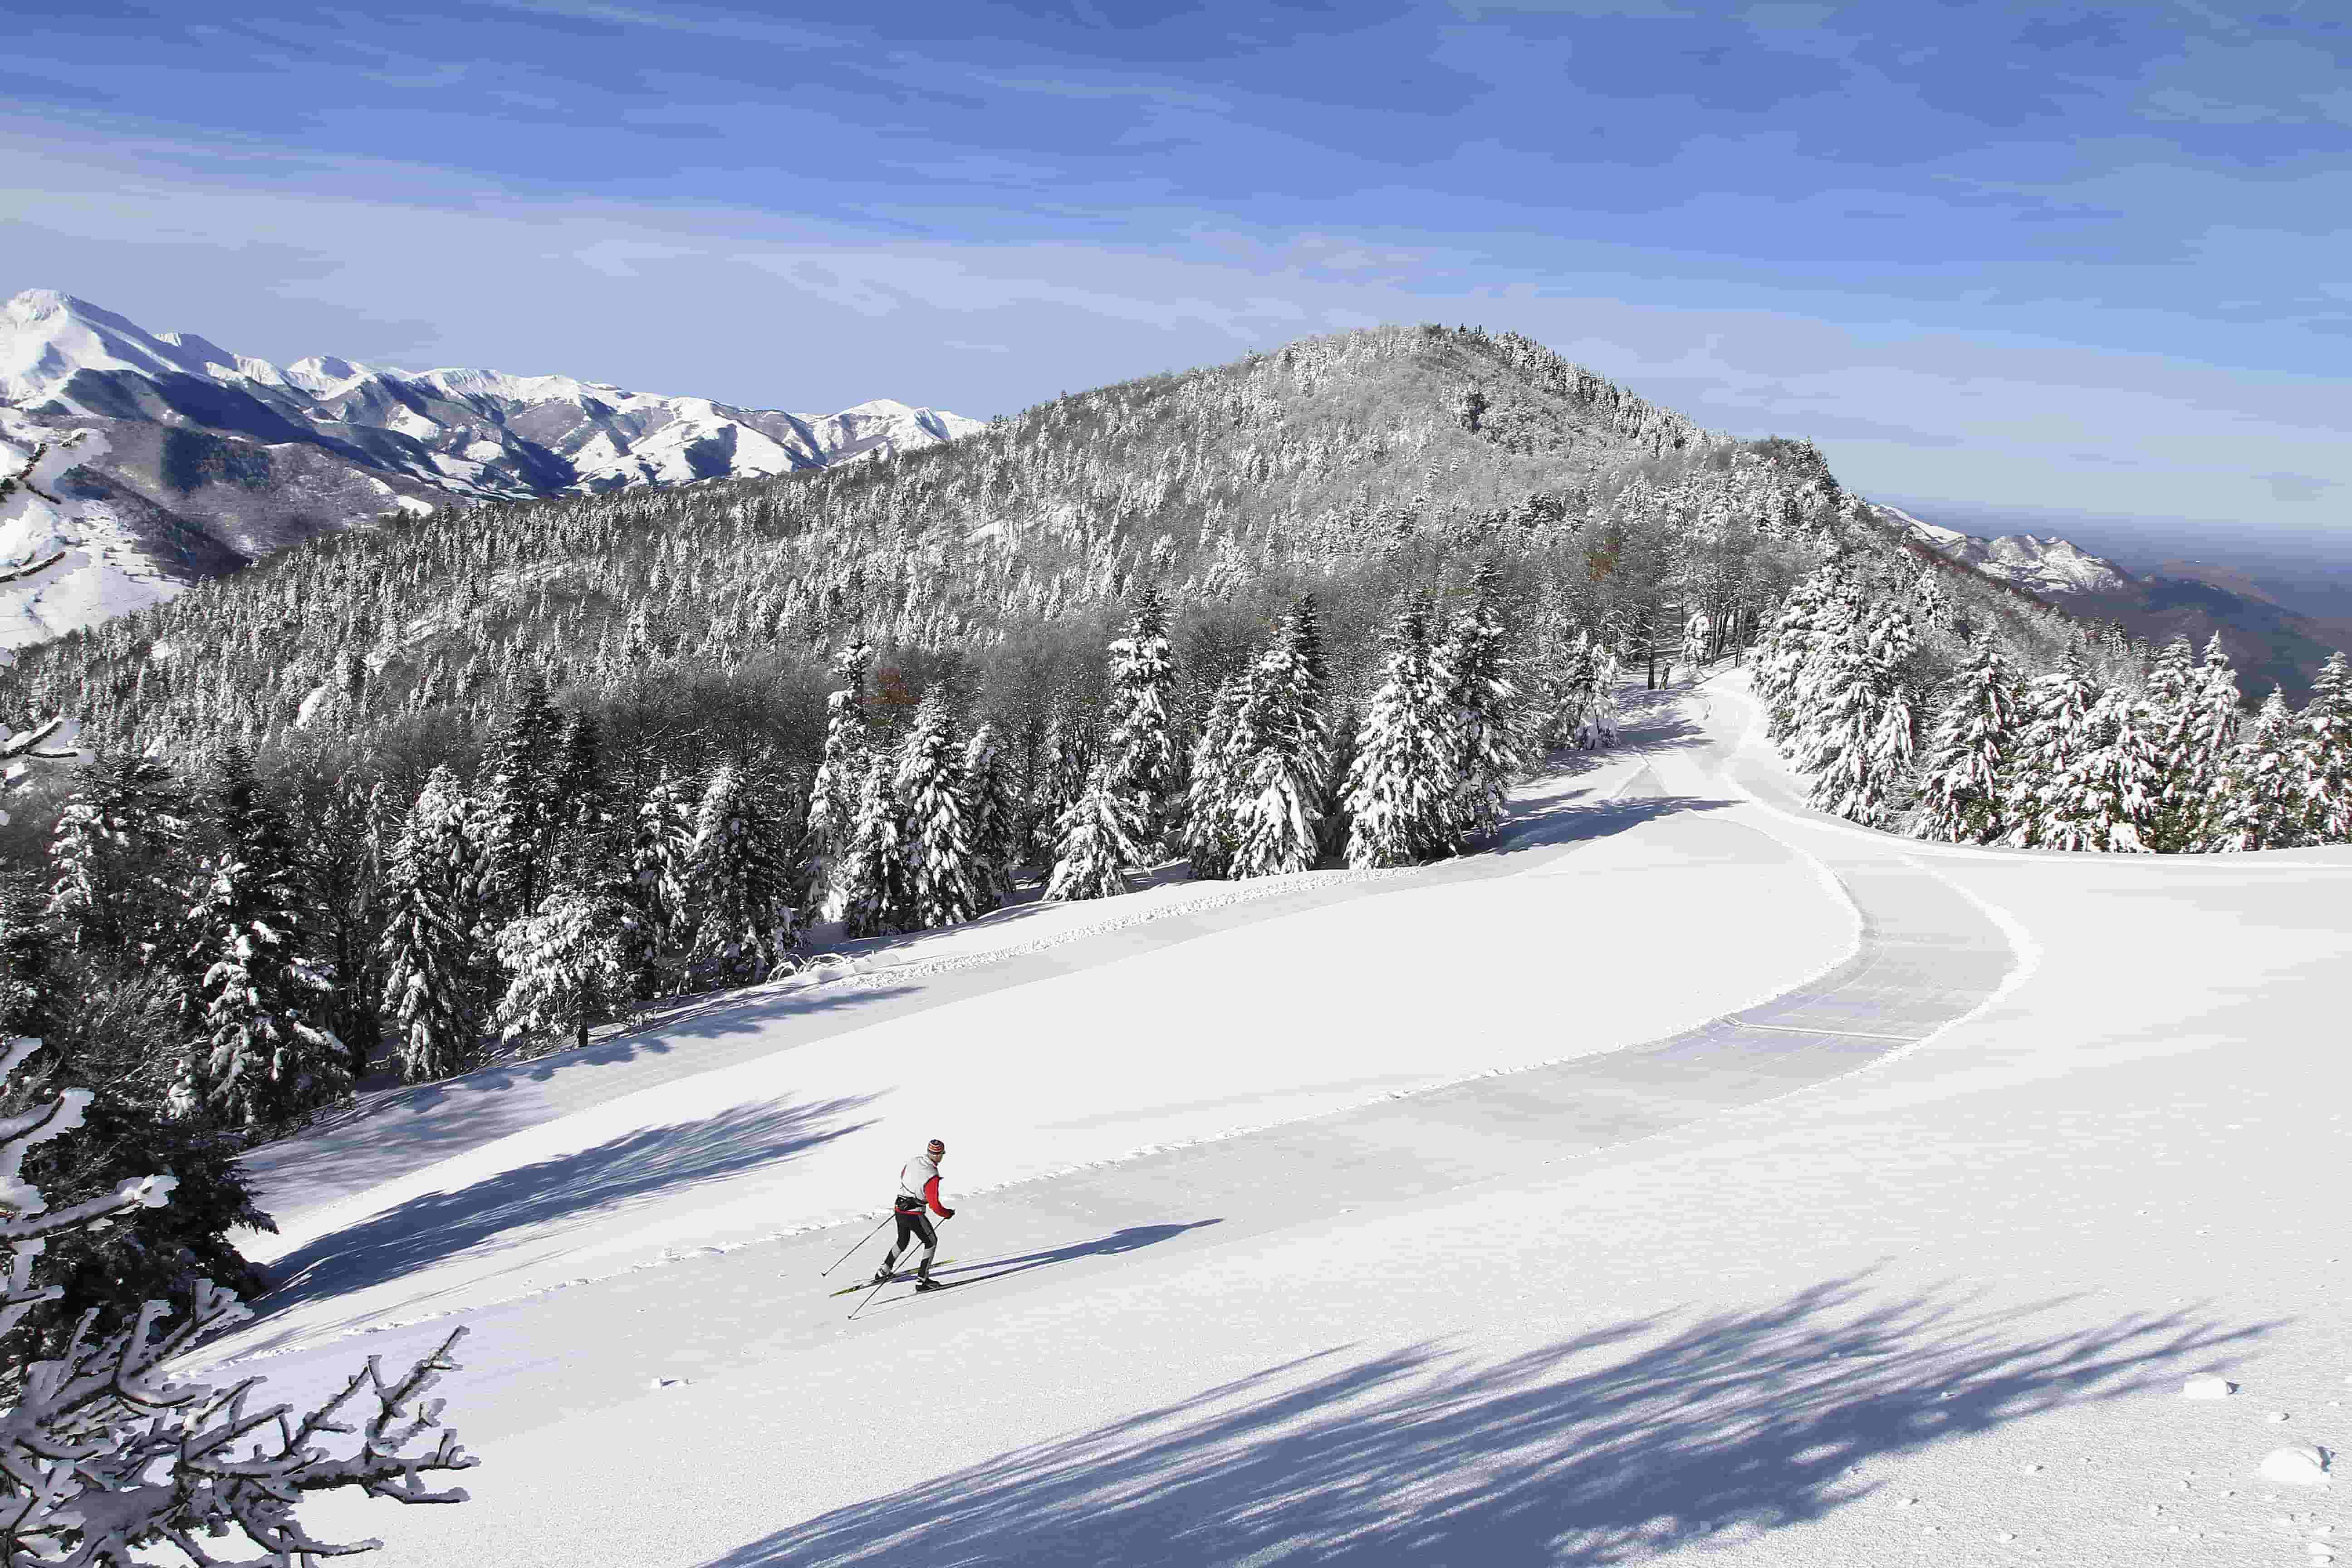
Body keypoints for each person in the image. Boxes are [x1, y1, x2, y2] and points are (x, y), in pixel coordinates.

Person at [874, 1137, 955, 1291]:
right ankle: (922, 1281)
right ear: (938, 1155)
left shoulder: (914, 1161)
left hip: (899, 1208)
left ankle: (883, 1271)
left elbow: (902, 1174)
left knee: (902, 1241)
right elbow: (935, 1205)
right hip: (914, 1214)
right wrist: (947, 1214)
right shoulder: (932, 1175)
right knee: (931, 1242)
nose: (942, 1156)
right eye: (942, 1153)